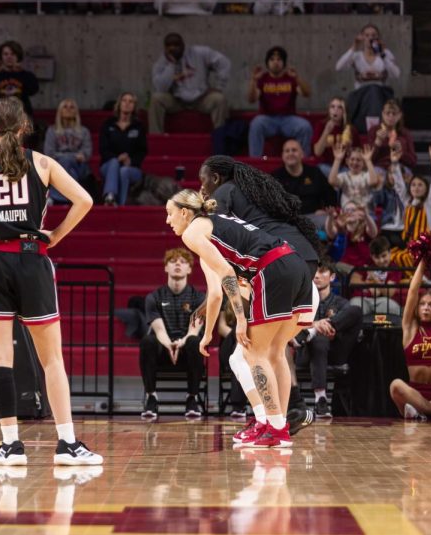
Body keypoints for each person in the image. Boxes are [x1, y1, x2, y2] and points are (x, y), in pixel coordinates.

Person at [0, 97, 102, 465]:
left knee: (0, 358)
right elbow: (85, 200)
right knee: (52, 360)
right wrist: (55, 235)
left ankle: (10, 445)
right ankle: (68, 443)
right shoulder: (42, 162)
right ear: (24, 128)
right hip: (31, 260)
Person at [174, 190, 312, 448]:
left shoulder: (192, 232)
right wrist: (206, 335)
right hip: (296, 264)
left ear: (184, 212)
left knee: (253, 354)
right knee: (276, 353)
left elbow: (226, 273)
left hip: (273, 270)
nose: (168, 221)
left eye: (169, 213)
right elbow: (215, 294)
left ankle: (272, 426)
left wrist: (239, 318)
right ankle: (277, 425)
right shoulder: (219, 223)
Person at [139, 249, 207, 420]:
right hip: (163, 351)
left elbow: (194, 330)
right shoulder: (154, 297)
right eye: (173, 261)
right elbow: (159, 330)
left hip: (186, 352)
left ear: (189, 269)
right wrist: (170, 344)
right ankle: (151, 397)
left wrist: (181, 343)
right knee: (148, 341)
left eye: (183, 262)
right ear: (166, 268)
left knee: (194, 341)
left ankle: (192, 398)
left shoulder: (198, 298)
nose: (178, 264)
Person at [291, 261, 362, 418]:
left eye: (322, 272)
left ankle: (314, 331)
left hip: (335, 352)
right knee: (319, 339)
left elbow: (348, 323)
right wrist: (316, 325)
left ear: (332, 277)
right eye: (314, 272)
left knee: (356, 310)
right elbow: (289, 327)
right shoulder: (302, 302)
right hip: (306, 353)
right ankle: (321, 399)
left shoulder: (341, 303)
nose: (316, 275)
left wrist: (330, 327)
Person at [388, 261, 431, 420]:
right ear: (417, 308)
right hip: (414, 395)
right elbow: (412, 292)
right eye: (422, 304)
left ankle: (421, 412)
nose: (426, 307)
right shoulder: (410, 328)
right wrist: (424, 262)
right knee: (395, 385)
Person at [149, 33, 230, 133]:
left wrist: (219, 86)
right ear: (165, 48)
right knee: (156, 99)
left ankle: (220, 138)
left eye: (176, 45)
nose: (173, 49)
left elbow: (224, 63)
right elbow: (160, 88)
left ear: (183, 45)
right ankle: (157, 138)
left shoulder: (200, 52)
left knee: (219, 99)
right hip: (177, 100)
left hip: (201, 99)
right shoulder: (162, 61)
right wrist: (171, 64)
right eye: (169, 46)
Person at [247, 45, 312, 158]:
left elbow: (307, 93)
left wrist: (297, 78)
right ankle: (255, 163)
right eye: (272, 59)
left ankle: (303, 162)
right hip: (268, 119)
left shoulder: (291, 78)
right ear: (267, 63)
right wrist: (253, 80)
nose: (276, 62)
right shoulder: (263, 79)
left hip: (288, 119)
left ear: (284, 63)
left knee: (305, 127)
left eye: (279, 59)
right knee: (256, 124)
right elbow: (251, 99)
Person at [389, 143, 431, 269]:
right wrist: (395, 164)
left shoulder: (428, 205)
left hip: (423, 254)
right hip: (408, 251)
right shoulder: (407, 202)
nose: (416, 187)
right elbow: (399, 185)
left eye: (420, 185)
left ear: (425, 189)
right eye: (413, 185)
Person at [98, 92, 146, 206]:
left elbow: (142, 151)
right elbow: (103, 149)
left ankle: (120, 204)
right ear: (119, 104)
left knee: (124, 170)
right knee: (114, 163)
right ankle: (110, 195)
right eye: (124, 100)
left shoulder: (138, 126)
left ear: (134, 106)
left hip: (132, 167)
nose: (127, 103)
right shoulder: (108, 124)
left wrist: (131, 161)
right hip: (108, 166)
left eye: (131, 101)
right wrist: (117, 158)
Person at [271, 139, 337, 220]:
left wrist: (326, 210)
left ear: (302, 154)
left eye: (294, 150)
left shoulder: (314, 172)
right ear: (282, 156)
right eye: (287, 151)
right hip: (288, 220)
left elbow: (330, 196)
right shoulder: (275, 177)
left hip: (314, 217)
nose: (290, 153)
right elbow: (273, 205)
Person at [43, 99, 92, 204]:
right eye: (65, 107)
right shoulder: (52, 130)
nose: (68, 109)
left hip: (79, 166)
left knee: (67, 161)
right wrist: (70, 156)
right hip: (58, 165)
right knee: (66, 164)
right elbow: (49, 153)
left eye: (72, 107)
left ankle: (55, 197)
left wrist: (69, 157)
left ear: (76, 112)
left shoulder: (84, 131)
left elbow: (86, 152)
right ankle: (68, 198)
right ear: (60, 111)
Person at [0, 40, 39, 118]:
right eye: (6, 54)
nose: (9, 57)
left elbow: (33, 90)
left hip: (23, 115)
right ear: (1, 56)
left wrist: (20, 71)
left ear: (18, 56)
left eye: (13, 54)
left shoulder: (27, 75)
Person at [328, 142, 382, 209]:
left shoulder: (365, 175)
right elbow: (332, 181)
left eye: (358, 160)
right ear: (347, 161)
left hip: (364, 210)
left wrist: (368, 160)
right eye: (352, 159)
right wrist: (337, 160)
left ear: (363, 163)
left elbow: (374, 181)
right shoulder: (344, 176)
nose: (355, 162)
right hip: (348, 211)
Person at [366, 99, 416, 170]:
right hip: (380, 167)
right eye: (387, 113)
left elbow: (413, 161)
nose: (391, 116)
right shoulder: (374, 130)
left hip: (400, 167)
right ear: (383, 114)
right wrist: (377, 143)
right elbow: (368, 159)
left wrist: (400, 152)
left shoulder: (405, 133)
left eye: (394, 113)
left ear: (400, 115)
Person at [312, 97, 352, 172]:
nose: (335, 109)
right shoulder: (321, 125)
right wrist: (326, 131)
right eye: (332, 106)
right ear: (329, 110)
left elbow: (354, 156)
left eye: (340, 107)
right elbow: (317, 152)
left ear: (344, 112)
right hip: (325, 165)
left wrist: (349, 147)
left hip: (343, 166)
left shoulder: (349, 129)